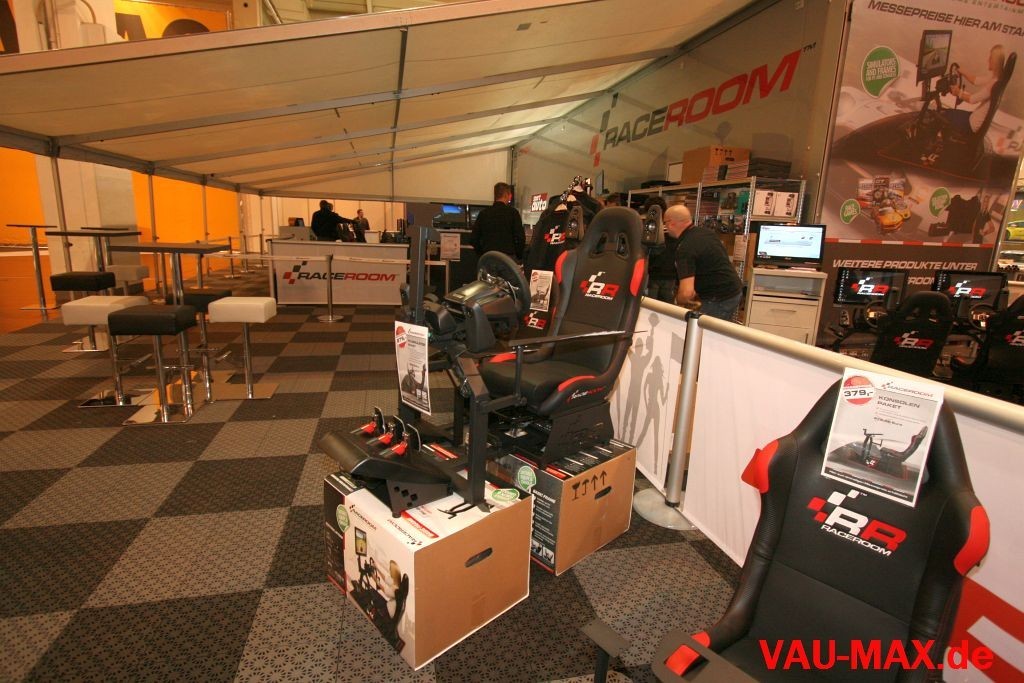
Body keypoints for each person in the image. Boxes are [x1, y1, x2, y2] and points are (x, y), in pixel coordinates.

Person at [664, 204, 744, 321]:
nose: (665, 227)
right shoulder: (706, 233)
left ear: (671, 223)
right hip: (733, 290)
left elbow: (687, 293)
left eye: (665, 222)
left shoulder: (685, 247)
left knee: (701, 329)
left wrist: (675, 301)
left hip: (718, 298)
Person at [944, 45, 1006, 136]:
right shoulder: (996, 78)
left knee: (944, 115)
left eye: (991, 58)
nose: (988, 60)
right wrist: (962, 71)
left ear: (996, 62)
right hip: (974, 118)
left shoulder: (994, 84)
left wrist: (958, 92)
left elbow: (972, 100)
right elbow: (976, 80)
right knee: (947, 112)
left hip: (971, 125)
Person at [470, 182, 525, 261]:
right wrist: (518, 255)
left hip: (488, 257)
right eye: (510, 194)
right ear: (506, 195)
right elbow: (520, 238)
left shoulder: (484, 213)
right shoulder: (513, 213)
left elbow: (473, 239)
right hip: (508, 259)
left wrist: (482, 253)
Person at [643, 197, 679, 303]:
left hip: (653, 274)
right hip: (669, 274)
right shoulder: (673, 228)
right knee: (668, 308)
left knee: (650, 305)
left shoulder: (647, 229)